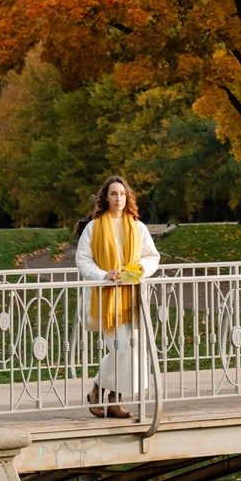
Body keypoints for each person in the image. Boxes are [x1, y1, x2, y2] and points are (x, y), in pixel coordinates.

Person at [75, 175, 160, 419]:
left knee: (132, 349)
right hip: (106, 297)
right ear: (105, 197)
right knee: (120, 348)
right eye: (113, 193)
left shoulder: (137, 226)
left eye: (122, 194)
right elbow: (82, 259)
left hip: (131, 297)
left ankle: (112, 397)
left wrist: (140, 268)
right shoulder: (94, 227)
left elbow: (152, 257)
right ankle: (100, 391)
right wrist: (103, 275)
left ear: (127, 197)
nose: (118, 198)